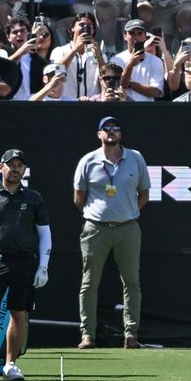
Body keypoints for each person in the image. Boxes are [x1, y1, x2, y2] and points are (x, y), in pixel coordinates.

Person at [0, 149, 51, 381]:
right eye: (11, 165)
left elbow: (45, 234)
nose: (15, 169)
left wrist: (43, 266)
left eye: (20, 166)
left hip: (25, 262)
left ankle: (10, 364)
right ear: (1, 167)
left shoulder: (34, 198)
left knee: (19, 313)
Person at [73, 117, 150, 350]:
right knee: (89, 282)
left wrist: (128, 211)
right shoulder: (88, 161)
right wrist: (96, 214)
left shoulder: (135, 158)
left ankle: (131, 335)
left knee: (132, 282)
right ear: (99, 134)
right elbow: (79, 197)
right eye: (107, 129)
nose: (111, 132)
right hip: (95, 229)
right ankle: (87, 335)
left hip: (128, 227)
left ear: (121, 134)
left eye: (116, 128)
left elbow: (144, 193)